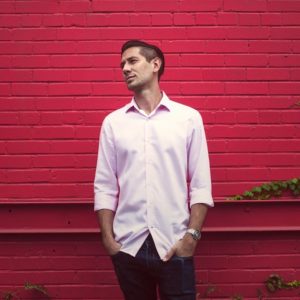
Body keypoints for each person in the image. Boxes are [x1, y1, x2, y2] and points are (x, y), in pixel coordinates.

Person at [94, 40, 214, 300]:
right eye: (122, 64)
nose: (125, 68)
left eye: (132, 61)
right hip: (128, 246)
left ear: (155, 64)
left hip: (174, 241)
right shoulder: (114, 123)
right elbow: (104, 185)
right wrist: (108, 240)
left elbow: (201, 184)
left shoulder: (187, 118)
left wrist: (191, 237)